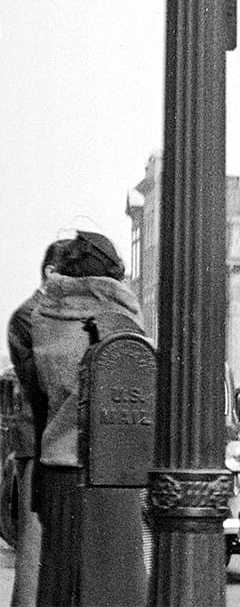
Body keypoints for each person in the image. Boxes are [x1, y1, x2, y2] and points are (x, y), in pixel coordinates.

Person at [7, 231, 143, 606]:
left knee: (59, 583)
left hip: (59, 468)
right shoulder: (125, 320)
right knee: (116, 587)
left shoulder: (37, 320)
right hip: (114, 477)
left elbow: (37, 401)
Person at [6, 240, 70, 607]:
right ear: (50, 273)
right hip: (38, 442)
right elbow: (46, 384)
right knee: (34, 547)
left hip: (54, 440)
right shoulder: (29, 317)